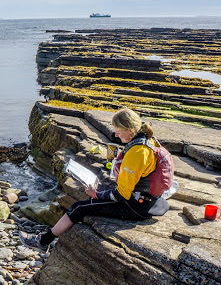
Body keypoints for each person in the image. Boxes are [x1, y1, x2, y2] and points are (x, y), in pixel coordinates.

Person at [19, 108, 170, 251]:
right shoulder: (148, 141)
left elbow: (121, 194)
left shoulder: (137, 152)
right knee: (101, 190)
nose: (116, 135)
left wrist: (96, 195)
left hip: (135, 206)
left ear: (130, 131)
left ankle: (42, 241)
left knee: (79, 207)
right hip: (147, 199)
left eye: (118, 131)